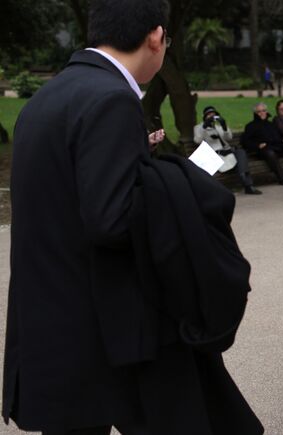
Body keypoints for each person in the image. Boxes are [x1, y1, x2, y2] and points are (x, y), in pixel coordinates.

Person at [4, 1, 263, 434]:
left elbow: (69, 193)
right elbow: (111, 220)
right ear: (156, 38)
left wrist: (135, 161)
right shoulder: (110, 98)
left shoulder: (51, 94)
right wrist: (176, 180)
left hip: (49, 316)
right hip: (98, 324)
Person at [193, 105, 262, 194]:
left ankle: (248, 184)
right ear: (205, 117)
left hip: (228, 152)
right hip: (215, 156)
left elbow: (229, 138)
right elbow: (197, 140)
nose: (212, 117)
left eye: (214, 115)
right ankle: (246, 183)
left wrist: (224, 127)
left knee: (241, 152)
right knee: (237, 159)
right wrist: (204, 127)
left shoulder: (218, 127)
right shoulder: (199, 127)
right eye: (209, 115)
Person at [241, 102, 283, 185]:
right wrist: (257, 145)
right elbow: (246, 141)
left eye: (263, 111)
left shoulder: (271, 124)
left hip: (277, 147)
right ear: (255, 113)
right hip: (264, 150)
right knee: (270, 153)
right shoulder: (250, 126)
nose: (262, 113)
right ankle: (281, 178)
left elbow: (279, 136)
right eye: (259, 111)